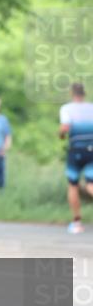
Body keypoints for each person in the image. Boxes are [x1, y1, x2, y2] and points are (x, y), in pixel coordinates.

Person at [59, 82, 93, 234]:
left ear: (72, 94)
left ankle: (77, 222)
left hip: (77, 150)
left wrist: (60, 134)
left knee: (73, 185)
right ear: (84, 94)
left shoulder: (67, 109)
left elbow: (65, 127)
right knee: (91, 184)